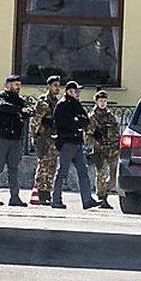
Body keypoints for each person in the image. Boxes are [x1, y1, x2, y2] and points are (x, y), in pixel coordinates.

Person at [51, 81, 97, 210]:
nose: (78, 94)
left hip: (77, 142)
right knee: (62, 172)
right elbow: (67, 123)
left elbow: (85, 120)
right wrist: (78, 121)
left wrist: (79, 121)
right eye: (76, 91)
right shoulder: (63, 105)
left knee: (83, 172)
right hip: (67, 142)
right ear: (69, 91)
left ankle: (87, 200)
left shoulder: (76, 104)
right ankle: (56, 200)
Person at [0, 74, 31, 206]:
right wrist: (19, 110)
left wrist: (26, 110)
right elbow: (3, 107)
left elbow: (27, 111)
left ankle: (14, 197)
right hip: (2, 138)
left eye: (19, 85)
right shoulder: (0, 98)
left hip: (16, 139)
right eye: (16, 85)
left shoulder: (20, 100)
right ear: (8, 85)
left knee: (13, 169)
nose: (18, 87)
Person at [30, 75, 62, 202]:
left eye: (58, 86)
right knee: (43, 165)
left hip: (53, 138)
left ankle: (47, 191)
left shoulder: (56, 101)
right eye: (55, 85)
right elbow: (36, 120)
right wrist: (34, 136)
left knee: (52, 166)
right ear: (48, 86)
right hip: (44, 137)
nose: (57, 88)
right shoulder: (44, 101)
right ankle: (41, 192)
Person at [86, 90, 120, 209]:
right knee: (102, 174)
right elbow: (88, 136)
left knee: (113, 177)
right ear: (96, 101)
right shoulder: (93, 116)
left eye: (105, 101)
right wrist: (98, 143)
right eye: (100, 101)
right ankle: (102, 197)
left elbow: (116, 131)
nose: (103, 103)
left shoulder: (110, 115)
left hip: (113, 150)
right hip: (101, 150)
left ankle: (105, 193)